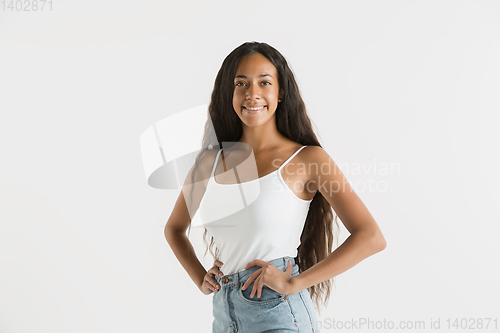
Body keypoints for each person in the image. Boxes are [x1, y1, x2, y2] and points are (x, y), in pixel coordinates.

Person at [164, 41, 387, 333]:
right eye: (240, 83)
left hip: (279, 315)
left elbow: (371, 236)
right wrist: (199, 276)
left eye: (264, 82)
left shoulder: (307, 159)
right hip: (225, 316)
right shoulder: (209, 162)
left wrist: (295, 282)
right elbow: (174, 229)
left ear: (280, 93)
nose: (252, 93)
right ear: (228, 93)